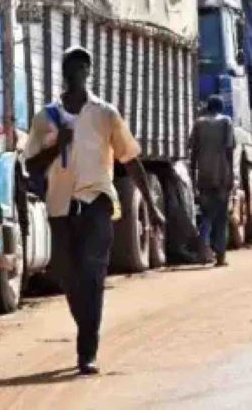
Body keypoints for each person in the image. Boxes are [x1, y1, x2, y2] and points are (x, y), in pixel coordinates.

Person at [23, 46, 165, 376]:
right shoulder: (46, 118)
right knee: (68, 277)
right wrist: (57, 146)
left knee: (93, 275)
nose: (77, 73)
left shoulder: (105, 113)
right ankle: (86, 327)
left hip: (97, 204)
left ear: (89, 71)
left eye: (82, 67)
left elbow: (130, 160)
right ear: (64, 73)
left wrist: (152, 206)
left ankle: (87, 350)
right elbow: (30, 164)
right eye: (71, 67)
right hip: (60, 207)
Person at [188, 95, 235, 267]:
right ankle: (220, 255)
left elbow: (193, 153)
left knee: (206, 216)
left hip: (204, 176)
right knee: (221, 217)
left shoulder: (199, 123)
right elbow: (229, 150)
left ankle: (203, 251)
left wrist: (193, 175)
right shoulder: (226, 122)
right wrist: (230, 176)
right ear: (221, 107)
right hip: (221, 176)